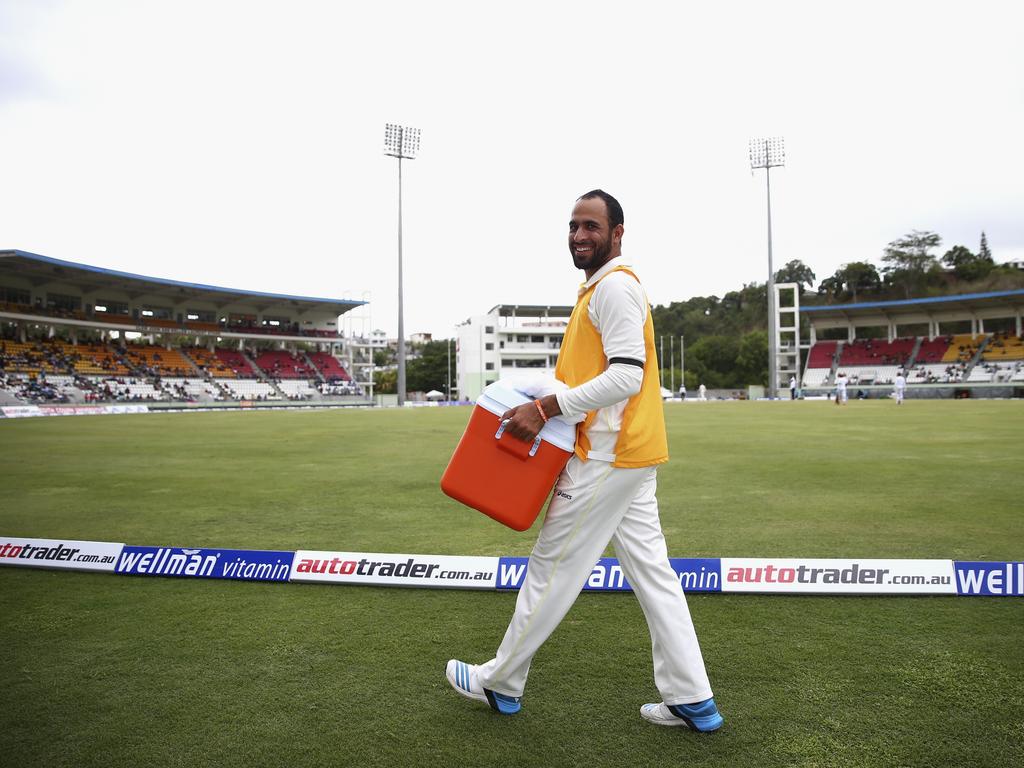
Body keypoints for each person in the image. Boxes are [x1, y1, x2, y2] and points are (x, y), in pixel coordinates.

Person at [445, 190, 722, 732]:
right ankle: (692, 697)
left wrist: (546, 406)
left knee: (552, 568)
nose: (579, 235)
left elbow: (626, 375)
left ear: (617, 233)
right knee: (653, 575)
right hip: (629, 455)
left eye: (591, 226)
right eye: (573, 226)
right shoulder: (600, 288)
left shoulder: (615, 287)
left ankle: (500, 681)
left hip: (606, 457)